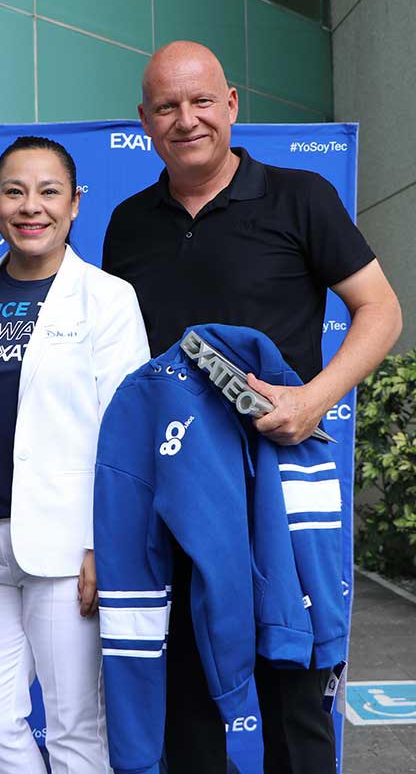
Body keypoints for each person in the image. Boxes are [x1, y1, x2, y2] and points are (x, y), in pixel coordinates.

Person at [100, 40, 401, 774]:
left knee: (296, 697)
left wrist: (314, 398)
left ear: (231, 105)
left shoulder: (301, 196)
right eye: (167, 106)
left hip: (280, 489)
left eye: (202, 101)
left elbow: (381, 310)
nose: (187, 119)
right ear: (145, 121)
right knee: (190, 702)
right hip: (176, 495)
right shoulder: (126, 224)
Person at [0, 136, 150, 774]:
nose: (30, 207)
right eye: (14, 191)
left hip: (69, 547)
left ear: (74, 204)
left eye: (48, 191)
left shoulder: (108, 298)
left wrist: (106, 541)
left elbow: (129, 430)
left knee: (74, 728)